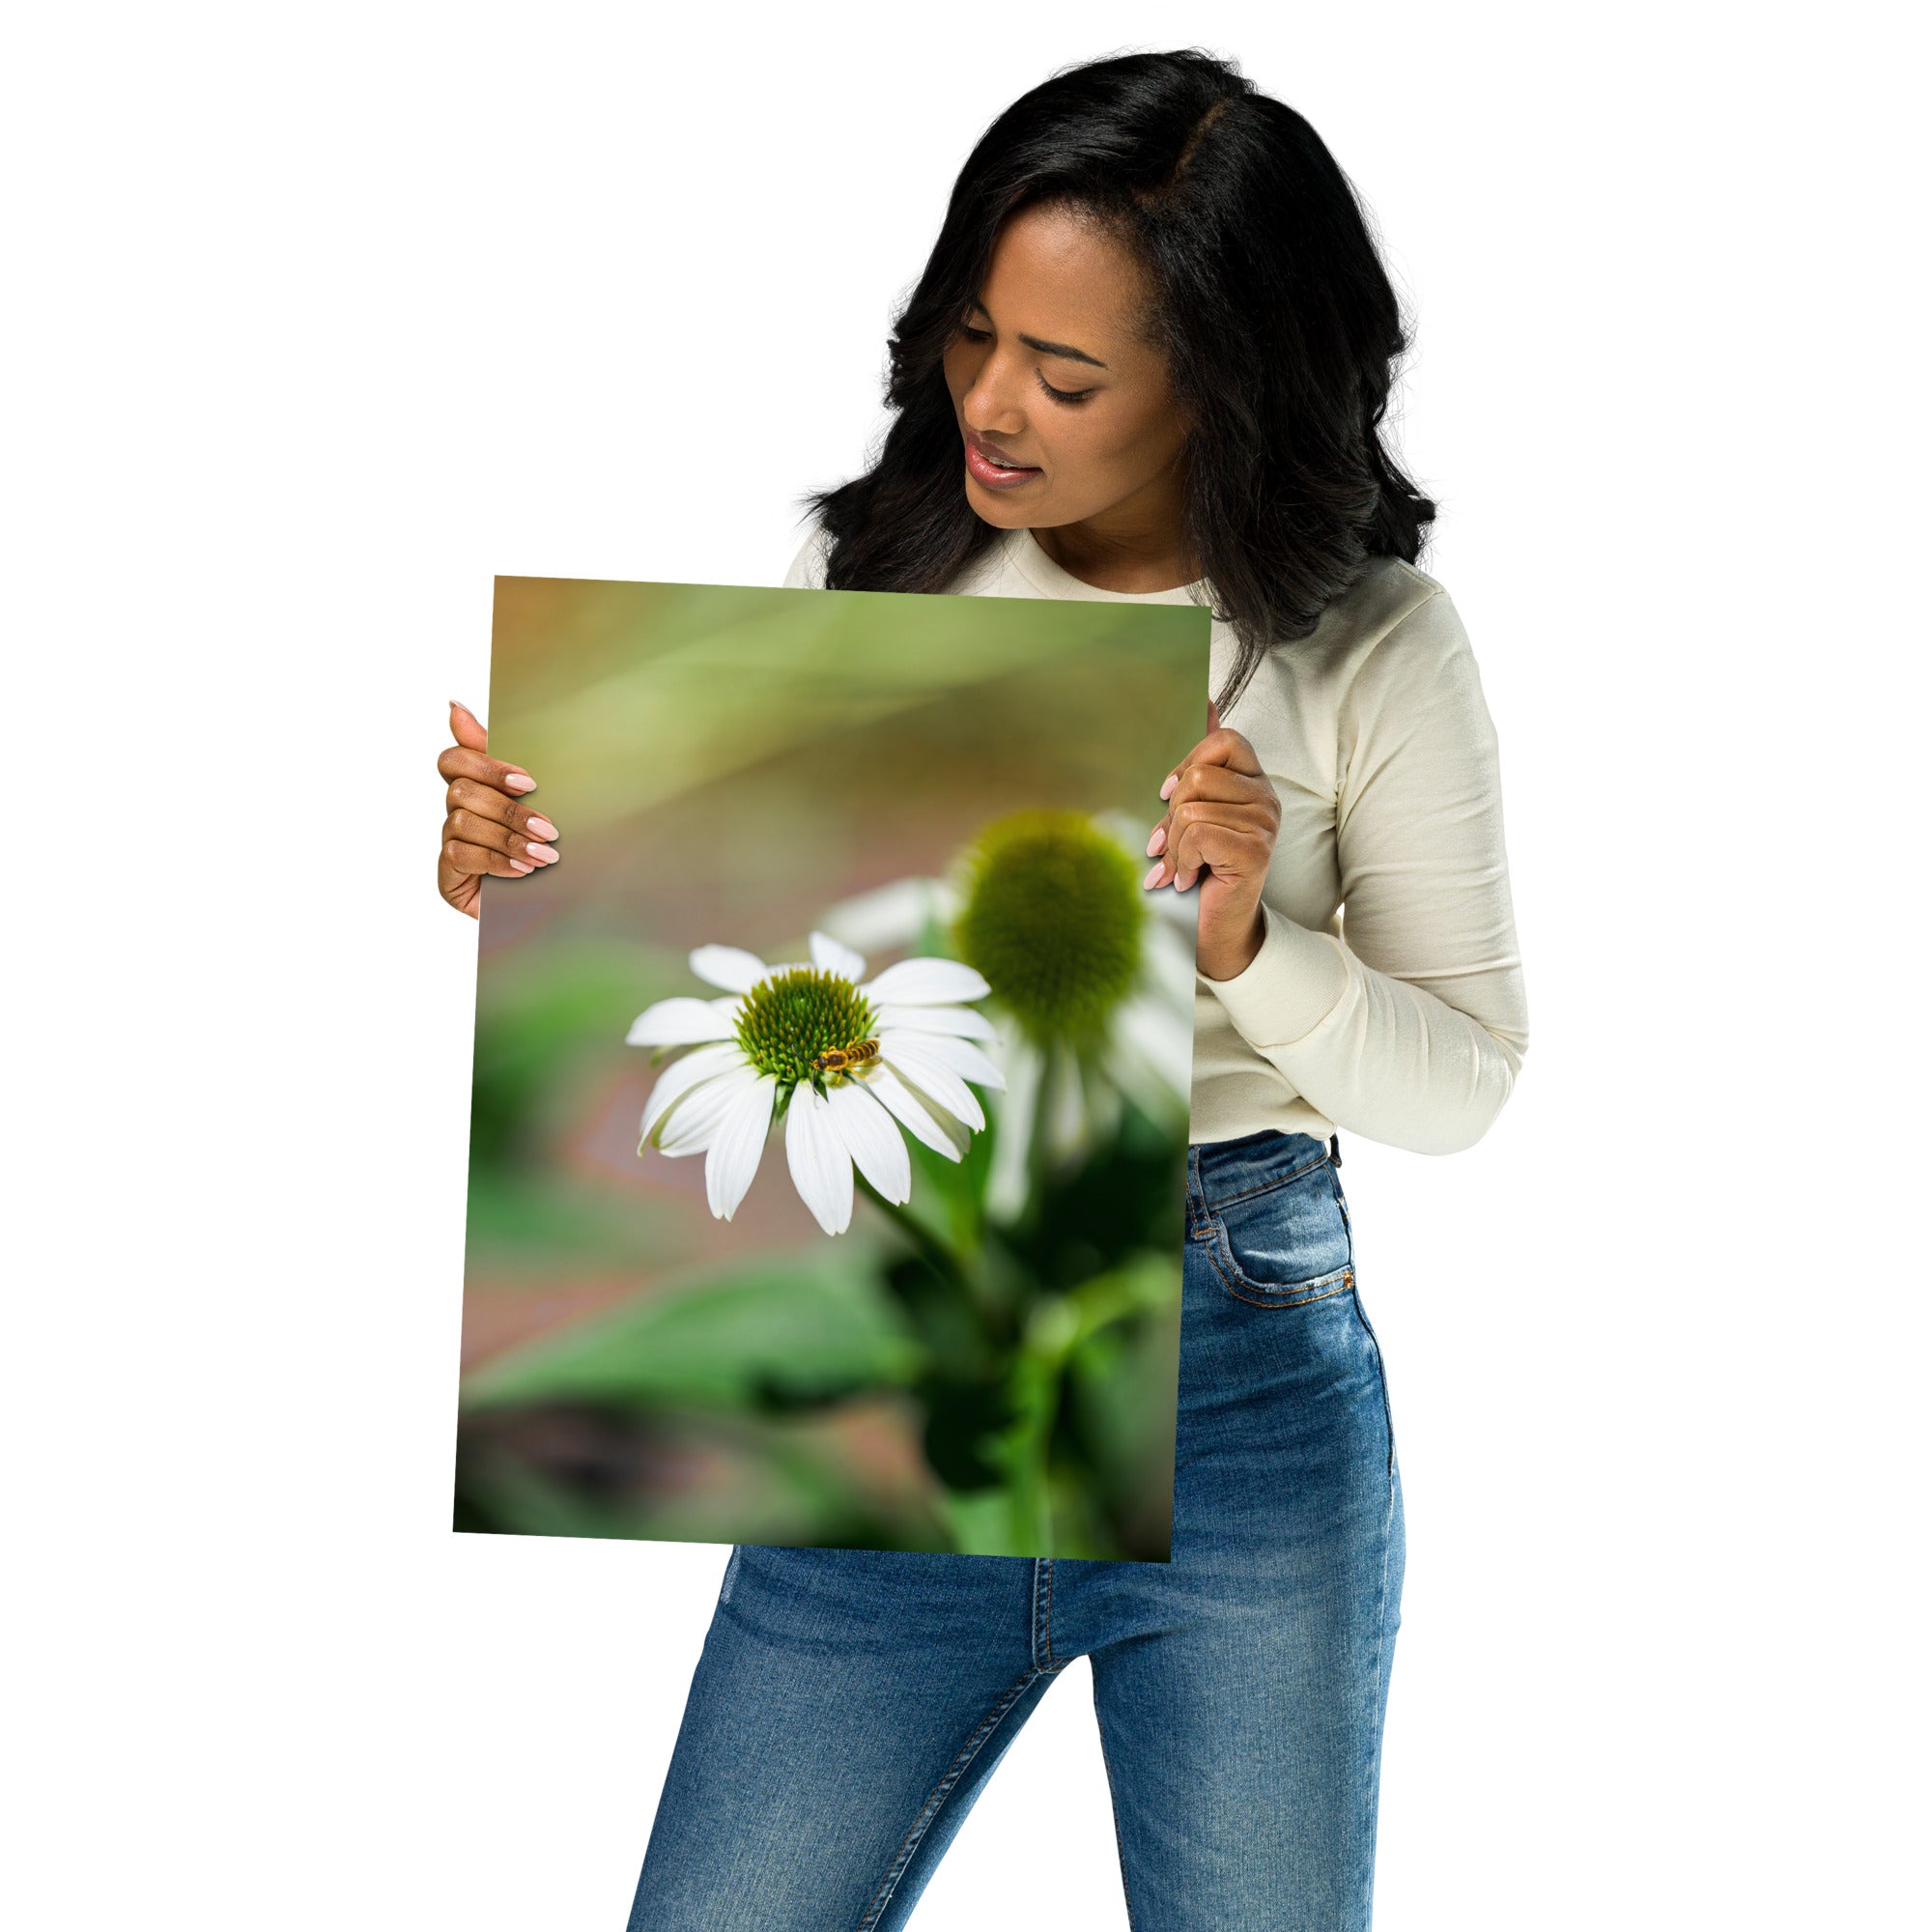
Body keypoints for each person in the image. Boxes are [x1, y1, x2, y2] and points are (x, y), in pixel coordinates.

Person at [437, 48, 1528, 1931]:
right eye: (969, 335)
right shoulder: (876, 574)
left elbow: (1463, 1086)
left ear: (1224, 384)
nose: (990, 404)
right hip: (904, 1360)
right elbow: (753, 989)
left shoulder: (1369, 646)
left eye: (1068, 371)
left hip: (1245, 1390)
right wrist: (527, 877)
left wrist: (1249, 939)